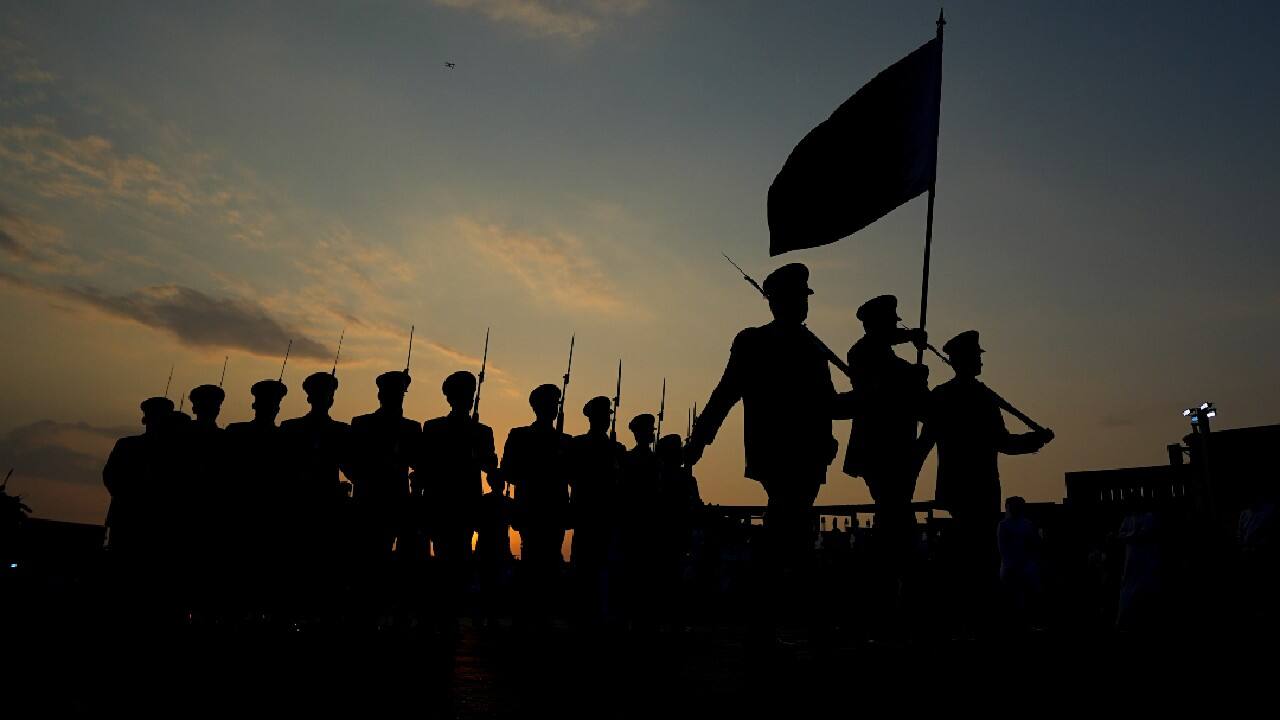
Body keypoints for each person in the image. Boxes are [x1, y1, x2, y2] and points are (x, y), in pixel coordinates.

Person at [684, 262, 838, 644]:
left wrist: (878, 395)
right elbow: (725, 394)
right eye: (797, 298)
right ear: (776, 301)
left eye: (805, 298)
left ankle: (777, 625)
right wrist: (699, 442)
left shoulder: (813, 347)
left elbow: (830, 404)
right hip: (777, 454)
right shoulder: (754, 341)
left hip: (810, 456)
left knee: (789, 534)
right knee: (790, 533)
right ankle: (795, 624)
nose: (804, 305)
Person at [916, 330, 1053, 636]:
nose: (980, 360)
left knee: (974, 552)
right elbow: (1001, 442)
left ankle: (970, 615)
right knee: (979, 555)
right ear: (964, 359)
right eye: (976, 355)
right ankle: (978, 617)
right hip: (978, 486)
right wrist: (1035, 441)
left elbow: (925, 440)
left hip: (962, 487)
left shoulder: (949, 395)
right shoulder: (977, 398)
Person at [418, 370, 498, 627]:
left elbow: (490, 465)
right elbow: (424, 465)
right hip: (441, 502)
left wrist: (478, 450)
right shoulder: (433, 427)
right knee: (443, 560)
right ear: (451, 397)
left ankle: (449, 615)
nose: (467, 398)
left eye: (469, 394)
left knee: (461, 560)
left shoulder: (481, 431)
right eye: (462, 394)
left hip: (465, 504)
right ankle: (442, 615)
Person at [348, 370, 420, 625]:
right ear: (381, 395)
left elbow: (419, 463)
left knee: (402, 562)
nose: (396, 398)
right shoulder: (362, 424)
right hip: (369, 499)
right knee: (369, 559)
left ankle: (397, 612)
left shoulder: (411, 428)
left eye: (400, 394)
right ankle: (368, 613)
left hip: (399, 501)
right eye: (392, 393)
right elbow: (349, 462)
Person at [279, 371, 351, 623]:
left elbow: (351, 468)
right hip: (301, 505)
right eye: (323, 394)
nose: (326, 399)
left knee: (322, 567)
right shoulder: (292, 429)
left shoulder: (338, 431)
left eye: (328, 394)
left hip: (326, 506)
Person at [501, 383, 571, 629]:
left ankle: (545, 615)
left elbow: (573, 475)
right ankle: (528, 615)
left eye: (555, 403)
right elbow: (508, 471)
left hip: (554, 510)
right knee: (531, 562)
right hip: (531, 508)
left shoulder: (565, 441)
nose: (553, 408)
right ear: (537, 407)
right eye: (548, 403)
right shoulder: (520, 436)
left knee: (551, 562)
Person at [225, 379, 290, 621]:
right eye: (268, 403)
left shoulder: (283, 439)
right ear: (256, 405)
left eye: (274, 404)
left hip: (269, 517)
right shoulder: (236, 433)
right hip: (240, 513)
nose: (271, 408)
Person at [566, 395, 624, 626]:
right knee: (586, 566)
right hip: (589, 512)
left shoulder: (614, 448)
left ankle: (596, 613)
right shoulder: (580, 445)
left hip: (601, 513)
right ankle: (586, 613)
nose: (605, 421)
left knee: (601, 566)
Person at [474, 470, 515, 628]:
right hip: (499, 545)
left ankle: (483, 616)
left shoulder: (483, 501)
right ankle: (490, 617)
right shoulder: (507, 502)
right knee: (494, 583)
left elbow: (476, 526)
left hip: (486, 545)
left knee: (485, 583)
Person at [997, 496, 1042, 630]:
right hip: (1012, 566)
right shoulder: (1005, 525)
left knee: (1026, 595)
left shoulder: (1026, 524)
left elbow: (1034, 544)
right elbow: (1003, 549)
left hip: (1024, 565)